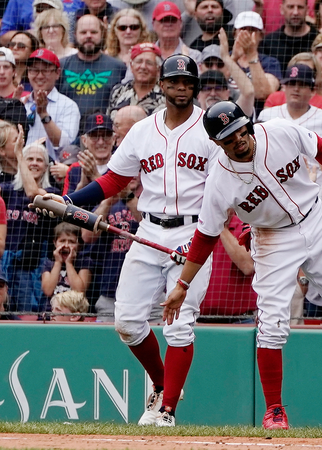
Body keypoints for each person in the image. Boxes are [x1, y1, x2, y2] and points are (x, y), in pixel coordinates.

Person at [164, 100, 322, 430]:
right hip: (272, 239)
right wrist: (182, 285)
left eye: (239, 129)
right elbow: (205, 237)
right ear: (216, 143)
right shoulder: (219, 181)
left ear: (247, 124)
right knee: (271, 324)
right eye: (227, 137)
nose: (237, 139)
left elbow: (319, 147)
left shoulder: (279, 132)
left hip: (315, 220)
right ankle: (274, 410)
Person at [36, 54, 221, 427]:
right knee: (127, 322)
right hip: (149, 230)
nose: (181, 88)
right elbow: (112, 181)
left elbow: (224, 194)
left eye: (188, 82)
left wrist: (202, 238)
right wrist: (70, 201)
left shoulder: (212, 130)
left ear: (195, 87)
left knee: (179, 325)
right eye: (174, 82)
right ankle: (161, 383)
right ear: (163, 86)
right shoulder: (143, 130)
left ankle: (167, 410)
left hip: (194, 231)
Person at [2, 137, 59, 313]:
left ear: (46, 167)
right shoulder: (5, 190)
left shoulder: (51, 194)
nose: (34, 163)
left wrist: (19, 155)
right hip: (3, 265)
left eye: (39, 160)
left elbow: (32, 193)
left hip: (31, 268)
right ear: (21, 163)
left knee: (25, 314)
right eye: (30, 159)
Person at [81, 177, 140, 322]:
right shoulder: (109, 203)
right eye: (127, 173)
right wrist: (107, 201)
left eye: (135, 172)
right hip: (110, 291)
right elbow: (87, 236)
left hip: (149, 294)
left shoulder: (150, 201)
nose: (131, 176)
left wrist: (129, 197)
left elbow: (148, 224)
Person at [257, 64, 322, 148]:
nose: (296, 89)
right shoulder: (267, 116)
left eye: (302, 85)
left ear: (313, 91)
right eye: (292, 84)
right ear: (284, 87)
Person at [58, 14, 127, 117]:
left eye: (94, 32)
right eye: (83, 32)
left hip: (105, 130)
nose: (88, 36)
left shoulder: (118, 67)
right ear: (75, 35)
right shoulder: (61, 66)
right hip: (68, 130)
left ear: (102, 34)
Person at [21, 48, 80, 162]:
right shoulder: (21, 102)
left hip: (52, 172)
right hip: (20, 170)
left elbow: (64, 144)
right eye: (34, 70)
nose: (39, 76)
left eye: (46, 71)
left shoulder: (68, 105)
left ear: (57, 73)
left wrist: (44, 115)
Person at [107, 43, 165, 119]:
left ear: (158, 69)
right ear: (131, 66)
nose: (143, 67)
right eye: (139, 61)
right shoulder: (118, 91)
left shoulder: (166, 95)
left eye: (149, 63)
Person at [259, 0, 319, 69]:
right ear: (281, 9)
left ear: (307, 10)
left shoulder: (318, 40)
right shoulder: (268, 43)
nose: (295, 12)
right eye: (290, 7)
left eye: (300, 7)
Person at [41, 222, 92, 298]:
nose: (66, 245)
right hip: (52, 308)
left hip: (75, 308)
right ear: (55, 242)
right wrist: (58, 262)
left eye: (71, 242)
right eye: (62, 241)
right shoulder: (48, 263)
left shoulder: (84, 262)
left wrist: (69, 264)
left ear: (79, 245)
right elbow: (48, 290)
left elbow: (79, 291)